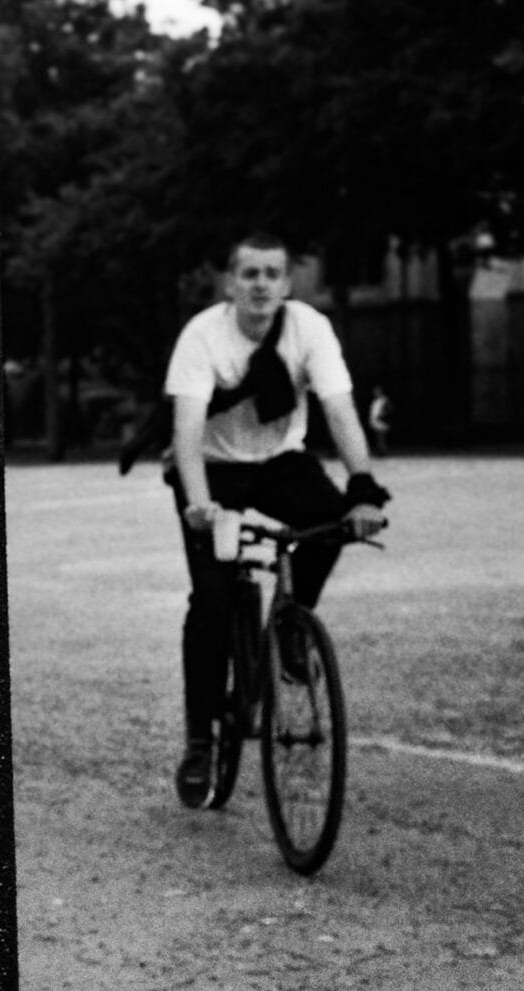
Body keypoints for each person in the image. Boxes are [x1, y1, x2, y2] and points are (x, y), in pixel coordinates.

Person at [161, 232, 390, 808]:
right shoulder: (202, 336)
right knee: (212, 600)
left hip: (279, 463)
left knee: (332, 521)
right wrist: (197, 502)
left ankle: (291, 626)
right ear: (231, 284)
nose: (261, 284)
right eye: (250, 274)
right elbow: (185, 434)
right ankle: (199, 742)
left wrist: (363, 490)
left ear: (287, 284)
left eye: (272, 274)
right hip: (213, 472)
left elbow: (340, 411)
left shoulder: (309, 328)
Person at [367, 385, 393, 457]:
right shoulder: (374, 401)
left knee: (381, 438)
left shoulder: (384, 399)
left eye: (377, 391)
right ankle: (380, 452)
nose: (375, 393)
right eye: (375, 392)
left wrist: (383, 414)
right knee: (378, 437)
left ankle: (383, 453)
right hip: (374, 421)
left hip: (382, 421)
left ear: (380, 392)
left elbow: (390, 409)